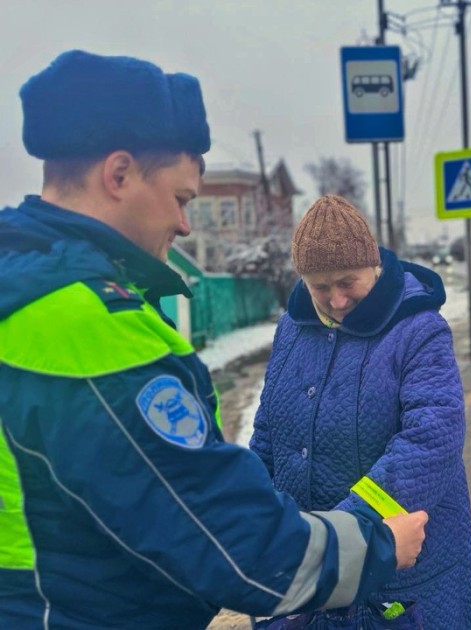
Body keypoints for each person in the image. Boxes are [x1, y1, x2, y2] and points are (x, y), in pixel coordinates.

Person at [0, 50, 428, 629]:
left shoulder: (22, 285)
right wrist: (377, 545)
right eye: (181, 199)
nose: (185, 225)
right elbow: (231, 539)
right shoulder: (83, 326)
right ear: (119, 174)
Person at [250, 195, 471, 629]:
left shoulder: (417, 329)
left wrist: (354, 527)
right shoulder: (291, 330)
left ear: (373, 267)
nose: (336, 299)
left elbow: (431, 437)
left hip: (400, 571)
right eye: (320, 286)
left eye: (347, 282)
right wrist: (256, 516)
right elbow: (267, 433)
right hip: (309, 566)